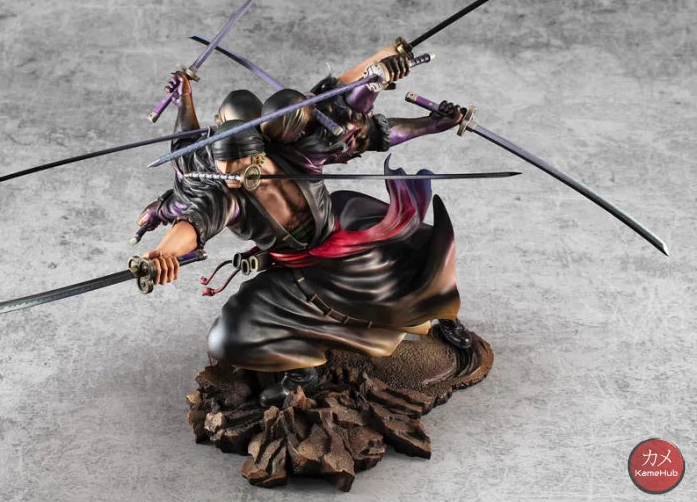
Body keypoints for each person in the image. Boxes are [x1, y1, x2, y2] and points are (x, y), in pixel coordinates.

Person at [140, 40, 469, 407]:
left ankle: (445, 320)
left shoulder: (298, 150)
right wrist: (163, 254)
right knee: (229, 336)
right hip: (294, 273)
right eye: (223, 168)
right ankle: (301, 372)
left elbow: (356, 114)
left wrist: (422, 112)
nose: (232, 177)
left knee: (423, 252)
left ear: (259, 154)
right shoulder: (225, 195)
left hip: (341, 235)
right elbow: (194, 223)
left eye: (240, 165)